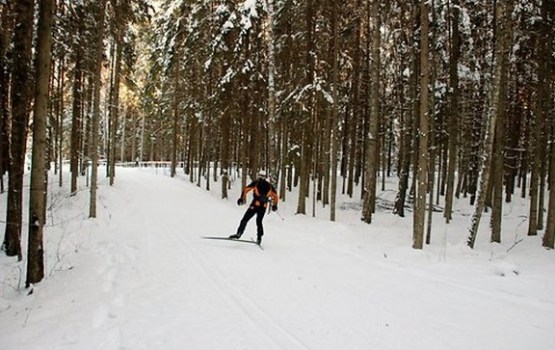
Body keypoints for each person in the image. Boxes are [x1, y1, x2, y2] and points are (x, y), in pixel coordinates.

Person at [229, 170, 279, 245]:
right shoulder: (269, 186)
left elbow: (246, 189)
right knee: (259, 221)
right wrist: (275, 205)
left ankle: (239, 233)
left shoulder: (256, 183)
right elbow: (276, 196)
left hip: (255, 205)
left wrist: (241, 198)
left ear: (259, 176)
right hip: (264, 206)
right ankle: (259, 237)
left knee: (245, 219)